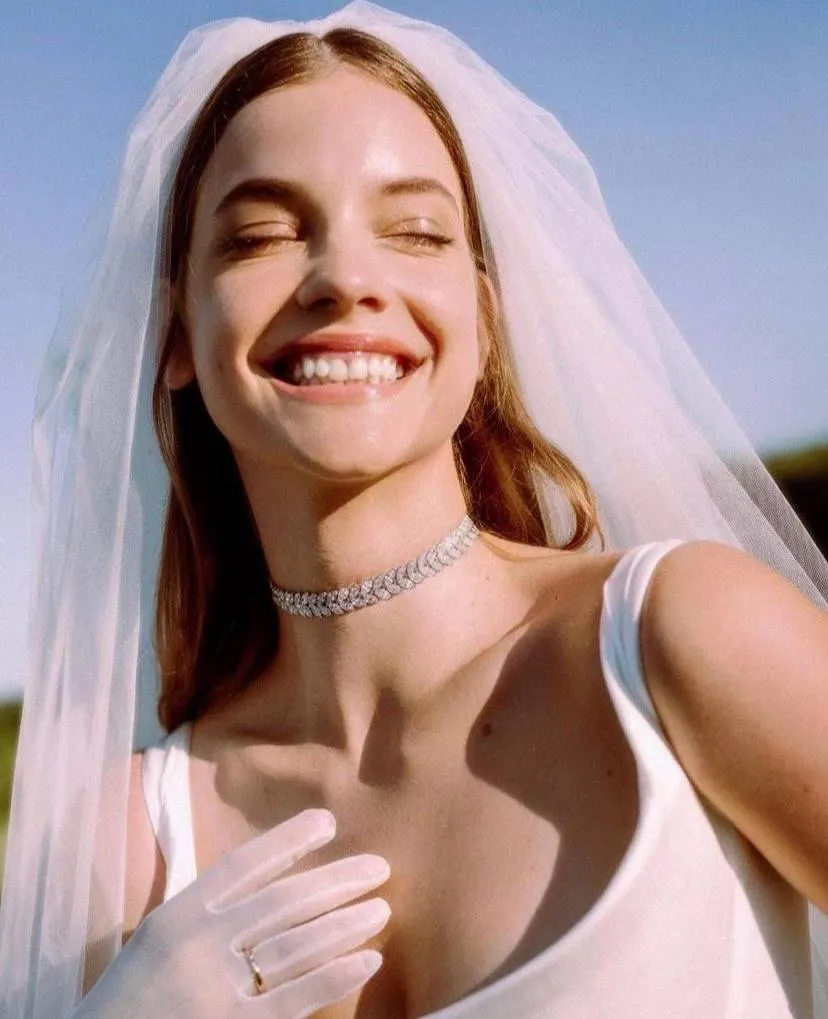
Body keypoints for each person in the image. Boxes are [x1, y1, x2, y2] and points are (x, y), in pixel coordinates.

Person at [1, 3, 826, 1017]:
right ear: (173, 336)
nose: (347, 278)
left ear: (481, 321)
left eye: (417, 230)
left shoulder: (678, 638)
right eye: (262, 234)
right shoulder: (123, 844)